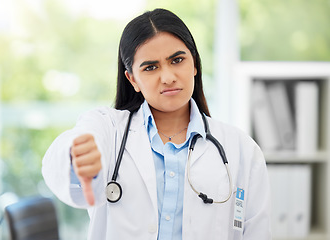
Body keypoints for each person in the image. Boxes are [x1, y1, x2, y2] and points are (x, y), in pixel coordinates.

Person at [42, 8, 271, 240]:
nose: (168, 77)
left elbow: (257, 232)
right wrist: (77, 157)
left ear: (194, 64)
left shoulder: (241, 148)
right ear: (132, 79)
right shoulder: (108, 129)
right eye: (151, 67)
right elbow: (73, 145)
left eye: (177, 60)